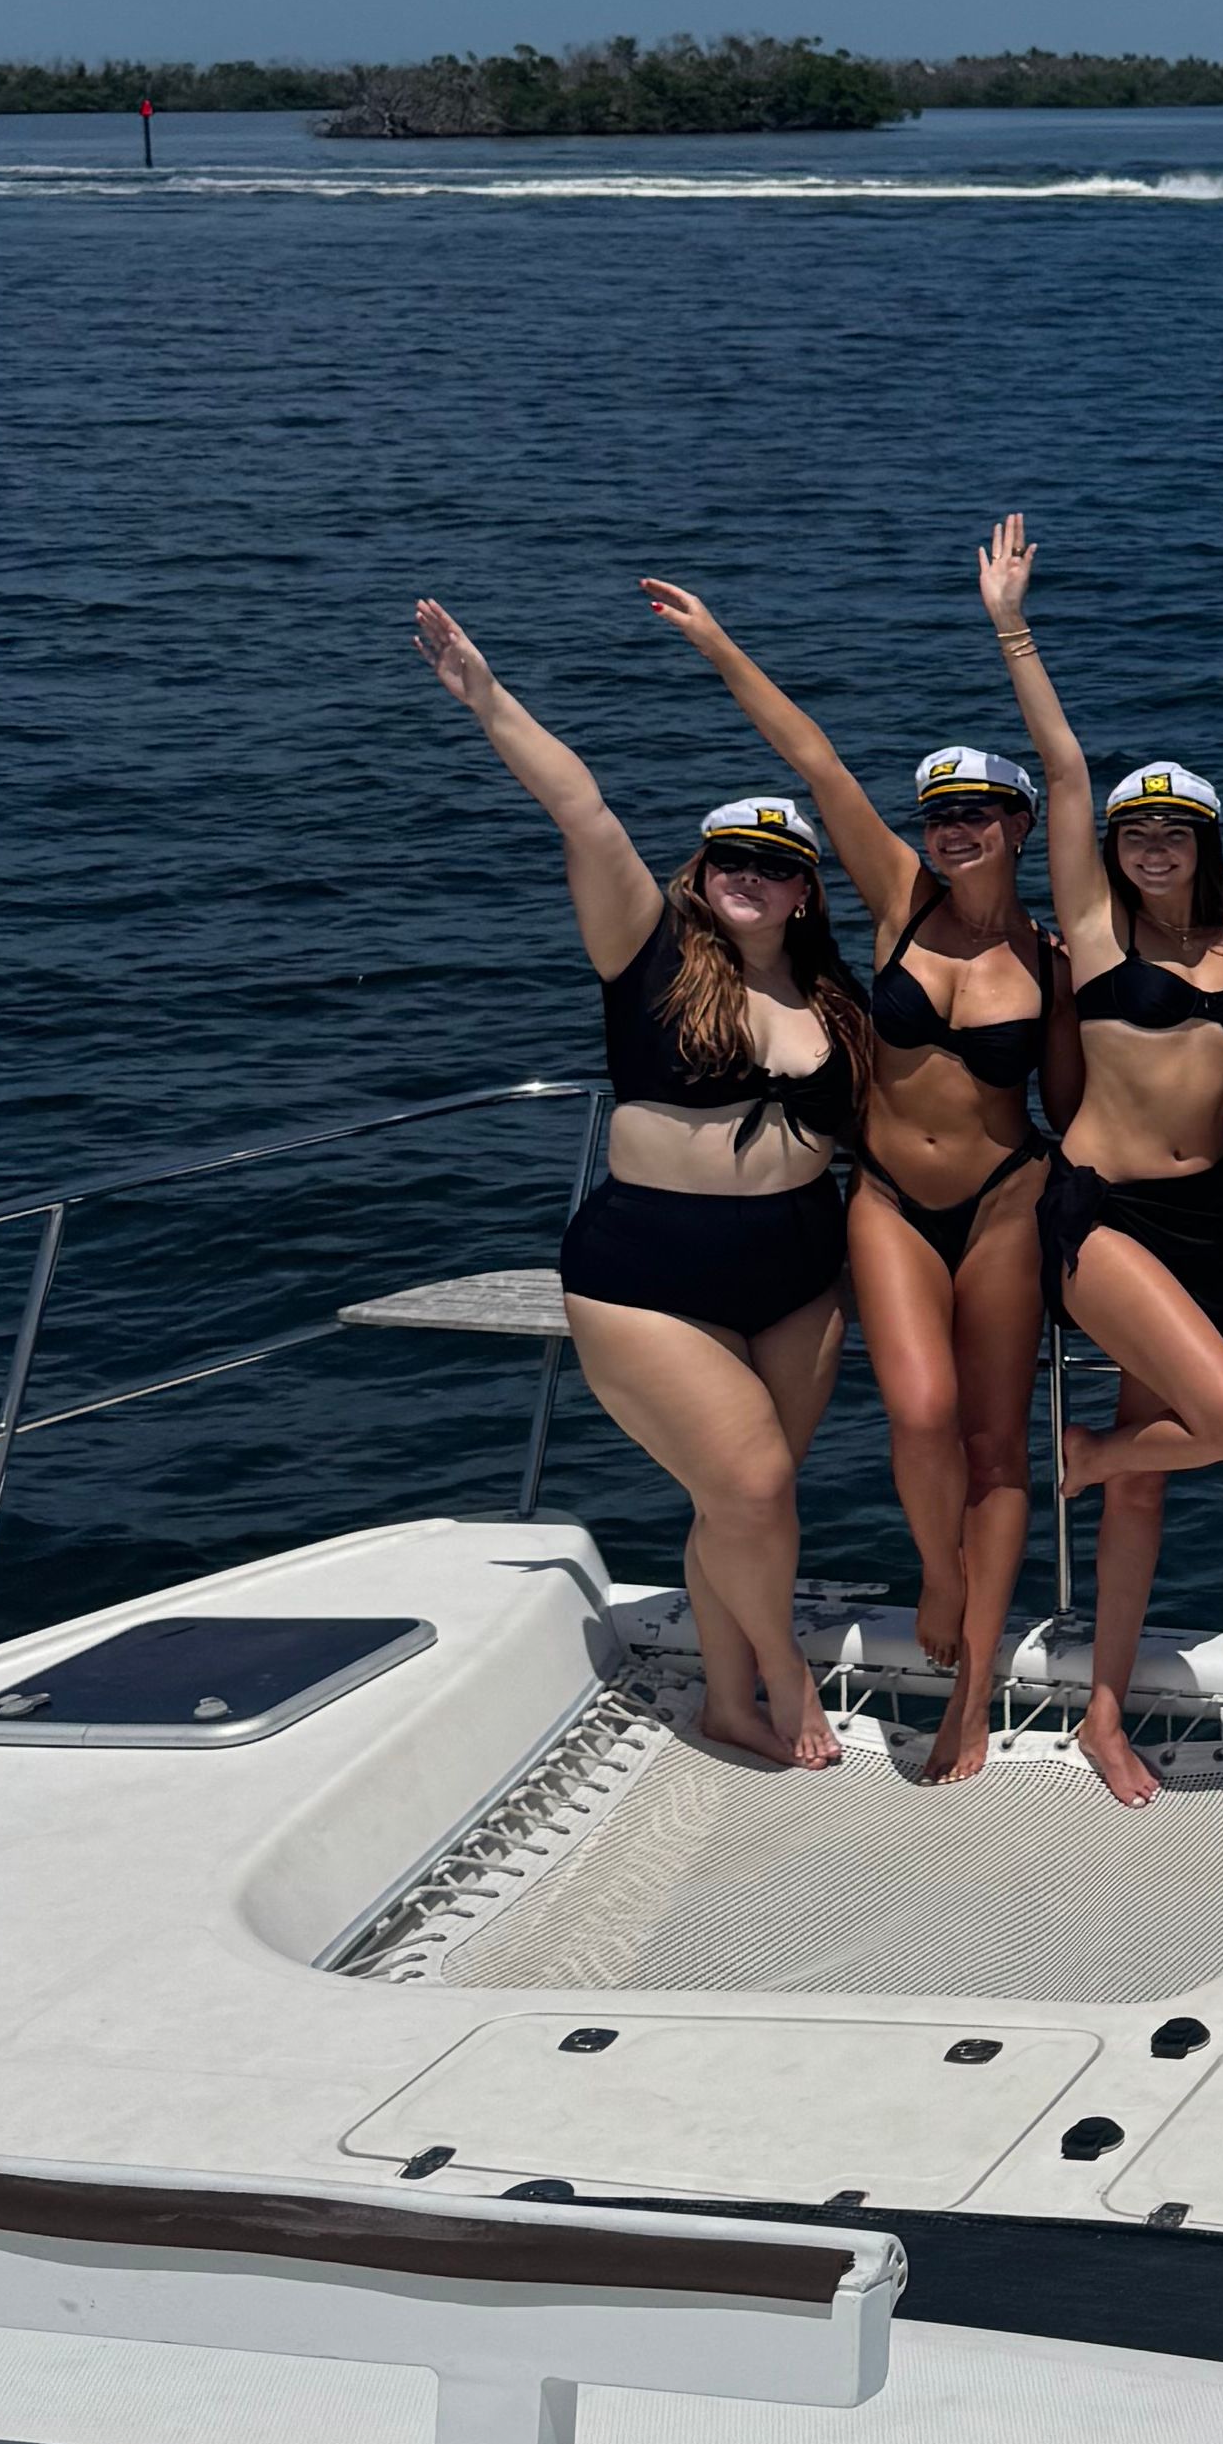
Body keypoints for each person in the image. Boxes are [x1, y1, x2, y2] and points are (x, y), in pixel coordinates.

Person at [411, 599, 867, 1776]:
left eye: (777, 865)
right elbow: (582, 806)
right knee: (757, 1485)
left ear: (807, 890)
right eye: (731, 860)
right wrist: (486, 692)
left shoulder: (835, 1002)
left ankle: (722, 1704)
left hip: (802, 1270)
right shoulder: (645, 949)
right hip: (648, 1273)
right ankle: (783, 1675)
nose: (751, 878)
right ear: (700, 870)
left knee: (742, 1504)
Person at [638, 579, 1080, 1786]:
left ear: (1022, 824)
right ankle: (939, 1571)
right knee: (922, 1418)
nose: (954, 829)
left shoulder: (1048, 950)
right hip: (886, 1194)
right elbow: (810, 754)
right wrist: (723, 640)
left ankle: (974, 1686)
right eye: (939, 813)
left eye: (980, 813)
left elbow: (1082, 1096)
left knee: (997, 1449)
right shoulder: (895, 900)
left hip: (1002, 1202)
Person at [974, 524, 1223, 1808]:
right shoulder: (1089, 930)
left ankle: (1105, 1713)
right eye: (1139, 831)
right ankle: (1079, 1459)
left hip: (1215, 1208)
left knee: (1153, 1484)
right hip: (1100, 1214)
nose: (1153, 845)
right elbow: (1065, 764)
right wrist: (1012, 626)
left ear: (1206, 844)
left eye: (1177, 832)